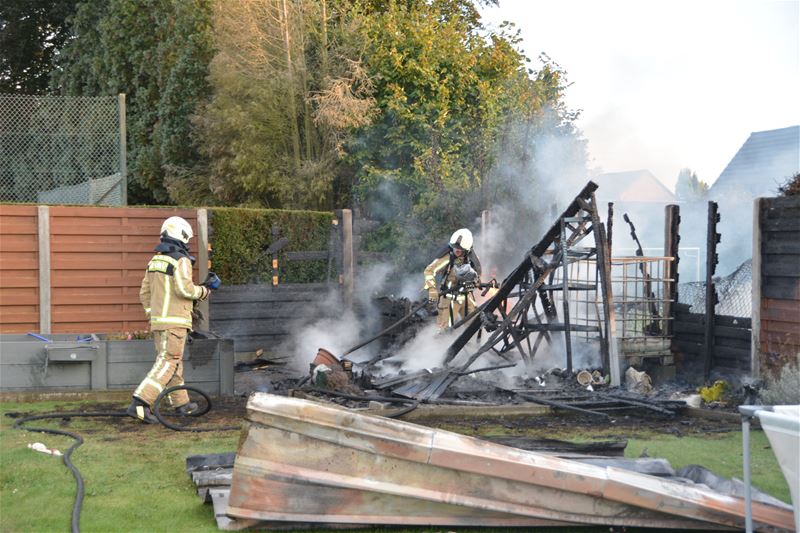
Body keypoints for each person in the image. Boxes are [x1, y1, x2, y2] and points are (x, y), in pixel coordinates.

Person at [126, 216, 219, 423]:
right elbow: (185, 290)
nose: (187, 243)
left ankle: (181, 404)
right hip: (175, 323)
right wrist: (205, 291)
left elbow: (144, 293)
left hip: (160, 323)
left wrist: (153, 315)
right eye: (187, 239)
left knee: (173, 364)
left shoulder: (155, 261)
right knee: (169, 362)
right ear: (181, 235)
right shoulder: (180, 260)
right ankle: (140, 403)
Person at [423, 228, 482, 329]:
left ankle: (474, 340)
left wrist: (474, 283)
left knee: (474, 326)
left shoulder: (471, 259)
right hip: (448, 298)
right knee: (444, 330)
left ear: (467, 249)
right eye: (454, 247)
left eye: (460, 249)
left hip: (466, 297)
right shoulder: (448, 258)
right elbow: (429, 271)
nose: (456, 250)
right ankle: (440, 339)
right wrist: (432, 289)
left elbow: (476, 276)